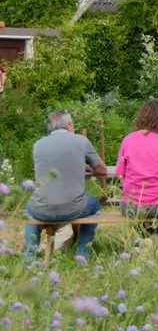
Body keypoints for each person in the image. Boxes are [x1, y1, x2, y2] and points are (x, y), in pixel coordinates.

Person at [24, 111, 108, 259]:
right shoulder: (81, 141)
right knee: (95, 205)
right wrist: (85, 166)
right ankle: (83, 252)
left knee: (30, 210)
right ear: (68, 125)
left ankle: (29, 255)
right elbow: (102, 170)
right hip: (73, 208)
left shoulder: (38, 145)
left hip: (42, 209)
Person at [115, 100, 158, 237]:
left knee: (137, 212)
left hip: (131, 206)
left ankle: (144, 239)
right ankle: (157, 237)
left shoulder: (128, 139)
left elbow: (121, 177)